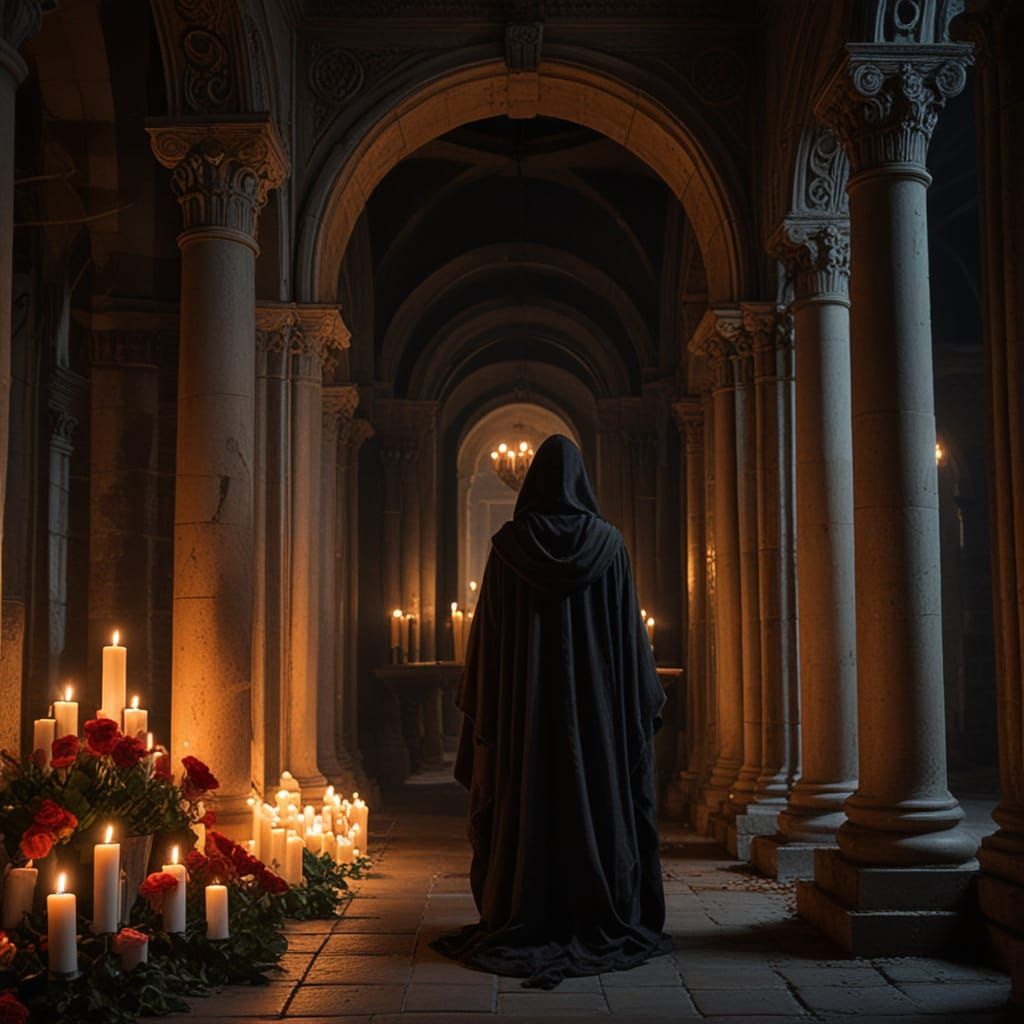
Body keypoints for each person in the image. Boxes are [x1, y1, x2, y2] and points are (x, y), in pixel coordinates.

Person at [431, 434, 670, 989]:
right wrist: (630, 705)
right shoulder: (610, 546)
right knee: (602, 798)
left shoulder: (508, 547)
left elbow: (487, 645)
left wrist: (491, 706)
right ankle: (600, 904)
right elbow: (630, 646)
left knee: (523, 801)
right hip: (598, 724)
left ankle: (524, 904)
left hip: (524, 724)